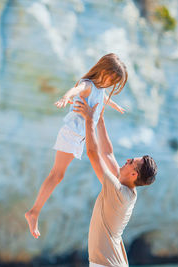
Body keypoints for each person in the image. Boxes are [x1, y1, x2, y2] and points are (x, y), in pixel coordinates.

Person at [25, 53, 128, 239]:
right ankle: (34, 212)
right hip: (71, 133)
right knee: (56, 174)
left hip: (80, 137)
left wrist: (115, 106)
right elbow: (76, 89)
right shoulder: (88, 84)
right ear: (103, 70)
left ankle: (34, 212)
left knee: (62, 174)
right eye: (111, 78)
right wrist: (65, 97)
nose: (110, 83)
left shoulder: (100, 89)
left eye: (114, 81)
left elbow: (104, 97)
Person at [73, 97, 158, 267]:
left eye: (131, 162)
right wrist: (100, 118)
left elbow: (93, 153)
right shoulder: (125, 186)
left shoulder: (119, 192)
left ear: (133, 174)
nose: (126, 160)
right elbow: (108, 153)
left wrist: (90, 120)